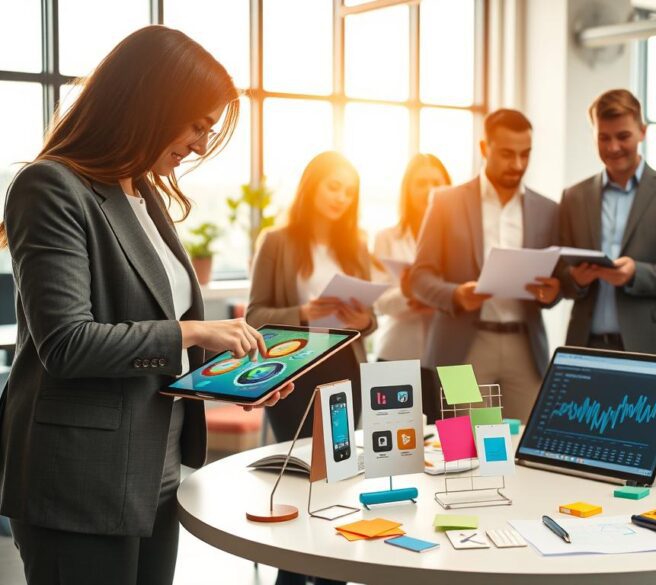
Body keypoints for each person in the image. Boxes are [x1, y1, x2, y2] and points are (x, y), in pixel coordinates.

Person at [0, 26, 292, 585]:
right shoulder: (51, 187)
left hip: (154, 470)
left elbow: (159, 329)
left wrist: (236, 379)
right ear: (150, 104)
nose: (201, 145)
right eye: (197, 126)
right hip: (81, 478)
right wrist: (196, 335)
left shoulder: (143, 192)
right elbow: (67, 344)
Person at [409, 109, 560, 422]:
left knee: (524, 449)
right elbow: (419, 277)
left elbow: (556, 281)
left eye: (525, 154)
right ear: (484, 148)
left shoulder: (548, 210)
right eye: (507, 154)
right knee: (467, 451)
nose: (517, 165)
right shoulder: (445, 202)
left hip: (526, 349)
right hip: (464, 348)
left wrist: (553, 293)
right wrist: (456, 295)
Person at [247, 151, 379, 443]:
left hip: (344, 364)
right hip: (293, 366)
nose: (341, 198)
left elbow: (371, 320)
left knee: (339, 457)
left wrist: (363, 320)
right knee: (298, 461)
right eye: (333, 187)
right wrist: (304, 313)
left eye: (349, 192)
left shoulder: (357, 245)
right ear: (311, 186)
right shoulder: (275, 242)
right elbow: (254, 316)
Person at [558, 89, 656, 354]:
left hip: (649, 346)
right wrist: (575, 278)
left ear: (642, 132)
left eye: (623, 136)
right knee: (465, 397)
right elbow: (560, 274)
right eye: (603, 138)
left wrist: (636, 273)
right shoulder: (573, 197)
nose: (613, 147)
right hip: (585, 344)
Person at [372, 154, 450, 362]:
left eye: (436, 183)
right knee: (398, 396)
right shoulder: (386, 238)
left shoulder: (463, 239)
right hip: (397, 353)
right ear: (407, 190)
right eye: (421, 183)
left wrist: (442, 299)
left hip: (455, 353)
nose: (429, 190)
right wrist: (409, 294)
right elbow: (378, 303)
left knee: (465, 396)